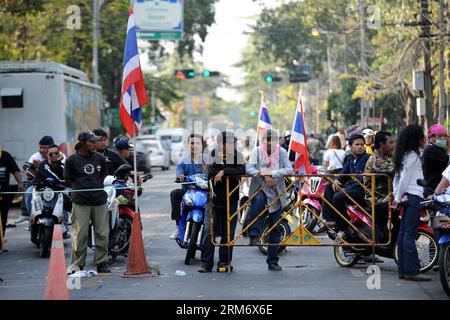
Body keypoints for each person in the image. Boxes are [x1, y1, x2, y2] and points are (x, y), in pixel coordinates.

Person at [198, 132, 246, 273]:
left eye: (233, 143)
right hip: (213, 200)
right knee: (208, 231)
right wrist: (219, 171)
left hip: (231, 200)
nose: (232, 146)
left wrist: (223, 171)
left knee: (228, 233)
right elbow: (211, 170)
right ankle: (206, 263)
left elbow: (241, 170)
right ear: (221, 144)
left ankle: (224, 263)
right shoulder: (213, 154)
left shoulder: (238, 156)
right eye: (230, 143)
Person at [246, 129, 293, 271]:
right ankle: (253, 235)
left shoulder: (282, 152)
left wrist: (272, 173)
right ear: (263, 141)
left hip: (276, 194)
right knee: (258, 202)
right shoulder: (256, 151)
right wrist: (263, 175)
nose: (269, 143)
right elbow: (249, 168)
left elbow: (289, 169)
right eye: (267, 140)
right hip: (260, 188)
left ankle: (273, 261)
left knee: (275, 227)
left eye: (273, 140)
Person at [65, 131, 110, 274]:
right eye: (93, 141)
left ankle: (101, 262)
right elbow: (68, 180)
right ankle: (78, 264)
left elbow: (103, 176)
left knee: (102, 233)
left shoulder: (100, 158)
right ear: (85, 143)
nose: (97, 143)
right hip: (80, 202)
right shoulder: (71, 161)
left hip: (99, 201)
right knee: (80, 234)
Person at [392, 124, 430, 281]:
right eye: (423, 135)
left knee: (403, 235)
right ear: (417, 138)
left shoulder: (405, 155)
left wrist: (398, 197)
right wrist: (398, 198)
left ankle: (403, 270)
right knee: (409, 235)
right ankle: (412, 271)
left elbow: (397, 180)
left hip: (408, 197)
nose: (425, 138)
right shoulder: (413, 156)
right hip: (413, 198)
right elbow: (404, 181)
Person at [322, 134, 370, 237]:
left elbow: (361, 181)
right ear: (350, 146)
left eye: (362, 145)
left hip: (363, 191)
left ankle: (344, 227)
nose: (360, 147)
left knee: (338, 196)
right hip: (353, 189)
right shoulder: (351, 160)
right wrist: (337, 180)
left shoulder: (367, 159)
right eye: (357, 144)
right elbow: (343, 174)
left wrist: (345, 188)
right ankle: (330, 220)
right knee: (329, 186)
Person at [15, 135, 64, 224]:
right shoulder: (35, 156)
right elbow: (28, 173)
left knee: (65, 198)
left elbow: (64, 173)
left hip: (57, 185)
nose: (41, 150)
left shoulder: (61, 157)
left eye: (44, 148)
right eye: (40, 147)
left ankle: (64, 224)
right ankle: (31, 219)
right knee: (28, 193)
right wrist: (37, 169)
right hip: (39, 184)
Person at [169, 134, 206, 239]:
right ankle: (177, 226)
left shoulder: (207, 160)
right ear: (188, 145)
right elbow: (179, 173)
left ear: (202, 145)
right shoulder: (183, 160)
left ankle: (216, 230)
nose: (195, 145)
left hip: (205, 193)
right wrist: (180, 176)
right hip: (188, 193)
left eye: (197, 143)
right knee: (175, 193)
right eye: (192, 143)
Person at [363, 130, 395, 235]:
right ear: (381, 144)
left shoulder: (387, 157)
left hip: (387, 195)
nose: (393, 145)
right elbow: (396, 169)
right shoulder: (376, 160)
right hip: (376, 199)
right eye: (390, 142)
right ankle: (381, 235)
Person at [37, 144, 71, 239]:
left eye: (56, 153)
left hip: (60, 190)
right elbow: (57, 178)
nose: (54, 156)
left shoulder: (63, 165)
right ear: (47, 155)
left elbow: (68, 178)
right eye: (51, 154)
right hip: (46, 191)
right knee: (31, 197)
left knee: (65, 198)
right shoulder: (44, 165)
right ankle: (32, 221)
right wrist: (61, 181)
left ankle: (64, 227)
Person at [0, 148, 23, 238]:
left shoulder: (5, 156)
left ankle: (1, 241)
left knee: (3, 217)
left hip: (4, 193)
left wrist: (20, 183)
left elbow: (15, 171)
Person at [422, 124, 450, 192]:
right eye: (439, 136)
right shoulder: (430, 150)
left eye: (445, 136)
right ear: (431, 138)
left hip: (438, 187)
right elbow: (448, 159)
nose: (443, 138)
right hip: (432, 190)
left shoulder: (439, 149)